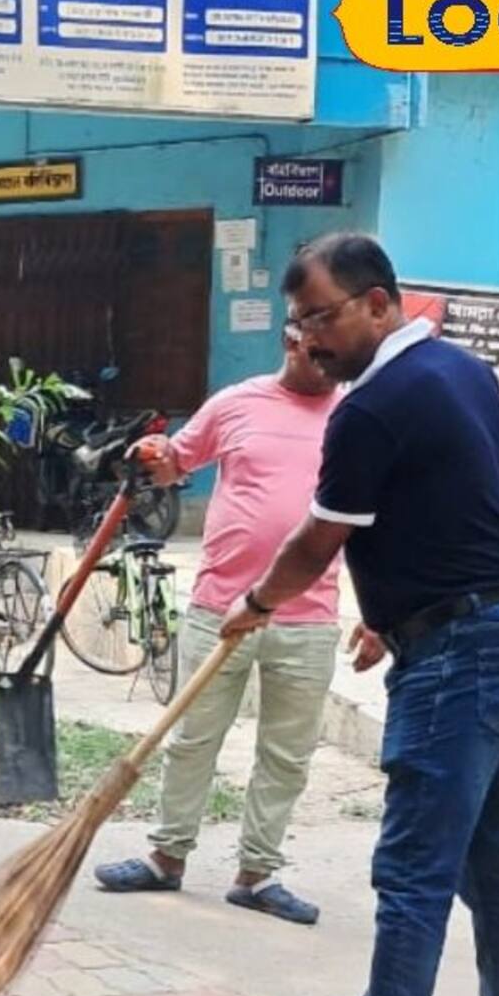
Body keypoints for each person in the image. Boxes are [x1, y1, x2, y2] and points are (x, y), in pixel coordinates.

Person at [217, 232, 499, 996]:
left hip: (457, 655)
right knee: (489, 856)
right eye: (298, 323)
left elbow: (316, 544)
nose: (311, 338)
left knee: (412, 875)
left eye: (322, 317)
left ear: (377, 302)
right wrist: (413, 587)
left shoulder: (370, 409)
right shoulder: (462, 370)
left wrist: (254, 603)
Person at [92, 325, 341, 925]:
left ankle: (258, 874)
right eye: (318, 349)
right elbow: (177, 463)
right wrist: (154, 455)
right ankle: (166, 857)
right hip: (219, 608)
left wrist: (381, 616)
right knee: (192, 737)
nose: (330, 362)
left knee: (286, 753)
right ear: (291, 340)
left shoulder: (354, 415)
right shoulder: (237, 403)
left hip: (308, 615)